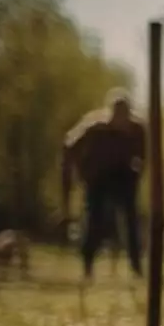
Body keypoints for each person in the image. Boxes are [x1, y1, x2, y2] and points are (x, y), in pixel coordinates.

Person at [62, 88, 146, 280]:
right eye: (117, 115)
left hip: (124, 175)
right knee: (94, 221)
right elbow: (69, 144)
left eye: (125, 115)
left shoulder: (137, 130)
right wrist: (79, 173)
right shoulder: (94, 127)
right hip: (97, 177)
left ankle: (136, 268)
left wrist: (136, 174)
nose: (121, 121)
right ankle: (87, 266)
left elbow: (143, 157)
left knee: (130, 220)